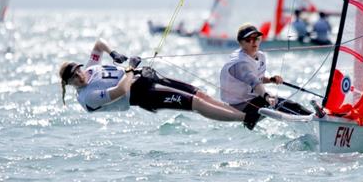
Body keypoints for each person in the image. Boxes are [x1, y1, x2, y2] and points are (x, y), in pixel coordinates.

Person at [59, 38, 248, 125]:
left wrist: (113, 53)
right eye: (74, 77)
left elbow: (98, 44)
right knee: (195, 103)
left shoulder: (91, 68)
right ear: (69, 84)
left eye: (78, 70)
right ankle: (246, 119)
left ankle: (239, 112)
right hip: (142, 96)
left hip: (148, 78)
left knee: (199, 93)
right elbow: (121, 90)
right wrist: (131, 67)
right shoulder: (87, 97)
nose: (79, 75)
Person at [220, 24, 312, 128]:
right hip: (240, 107)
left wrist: (271, 79)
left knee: (284, 104)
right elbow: (254, 82)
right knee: (280, 103)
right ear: (241, 42)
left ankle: (311, 118)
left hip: (253, 100)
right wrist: (267, 97)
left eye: (256, 38)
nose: (254, 42)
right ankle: (312, 118)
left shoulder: (260, 56)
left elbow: (258, 78)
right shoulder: (240, 62)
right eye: (249, 39)